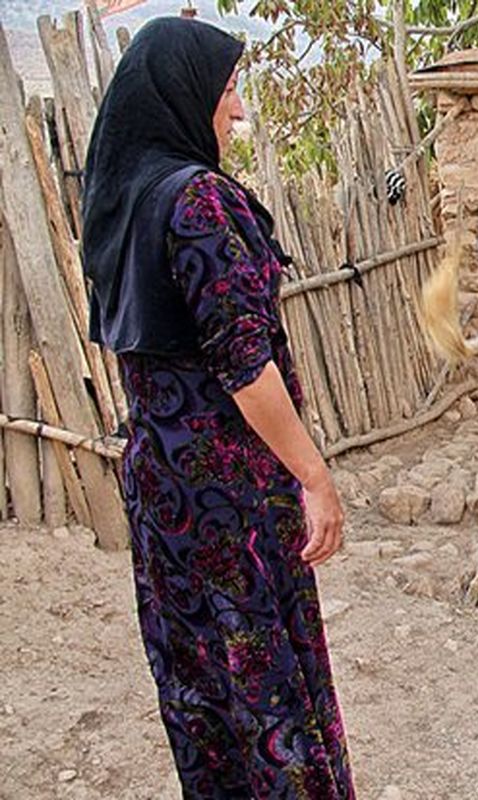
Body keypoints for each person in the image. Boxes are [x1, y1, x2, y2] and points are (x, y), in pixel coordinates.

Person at [82, 17, 355, 796]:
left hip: (163, 490)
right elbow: (244, 368)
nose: (237, 112)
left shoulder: (125, 200)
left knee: (202, 683)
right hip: (231, 498)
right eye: (228, 91)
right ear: (184, 95)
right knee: (266, 680)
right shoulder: (199, 202)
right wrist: (314, 477)